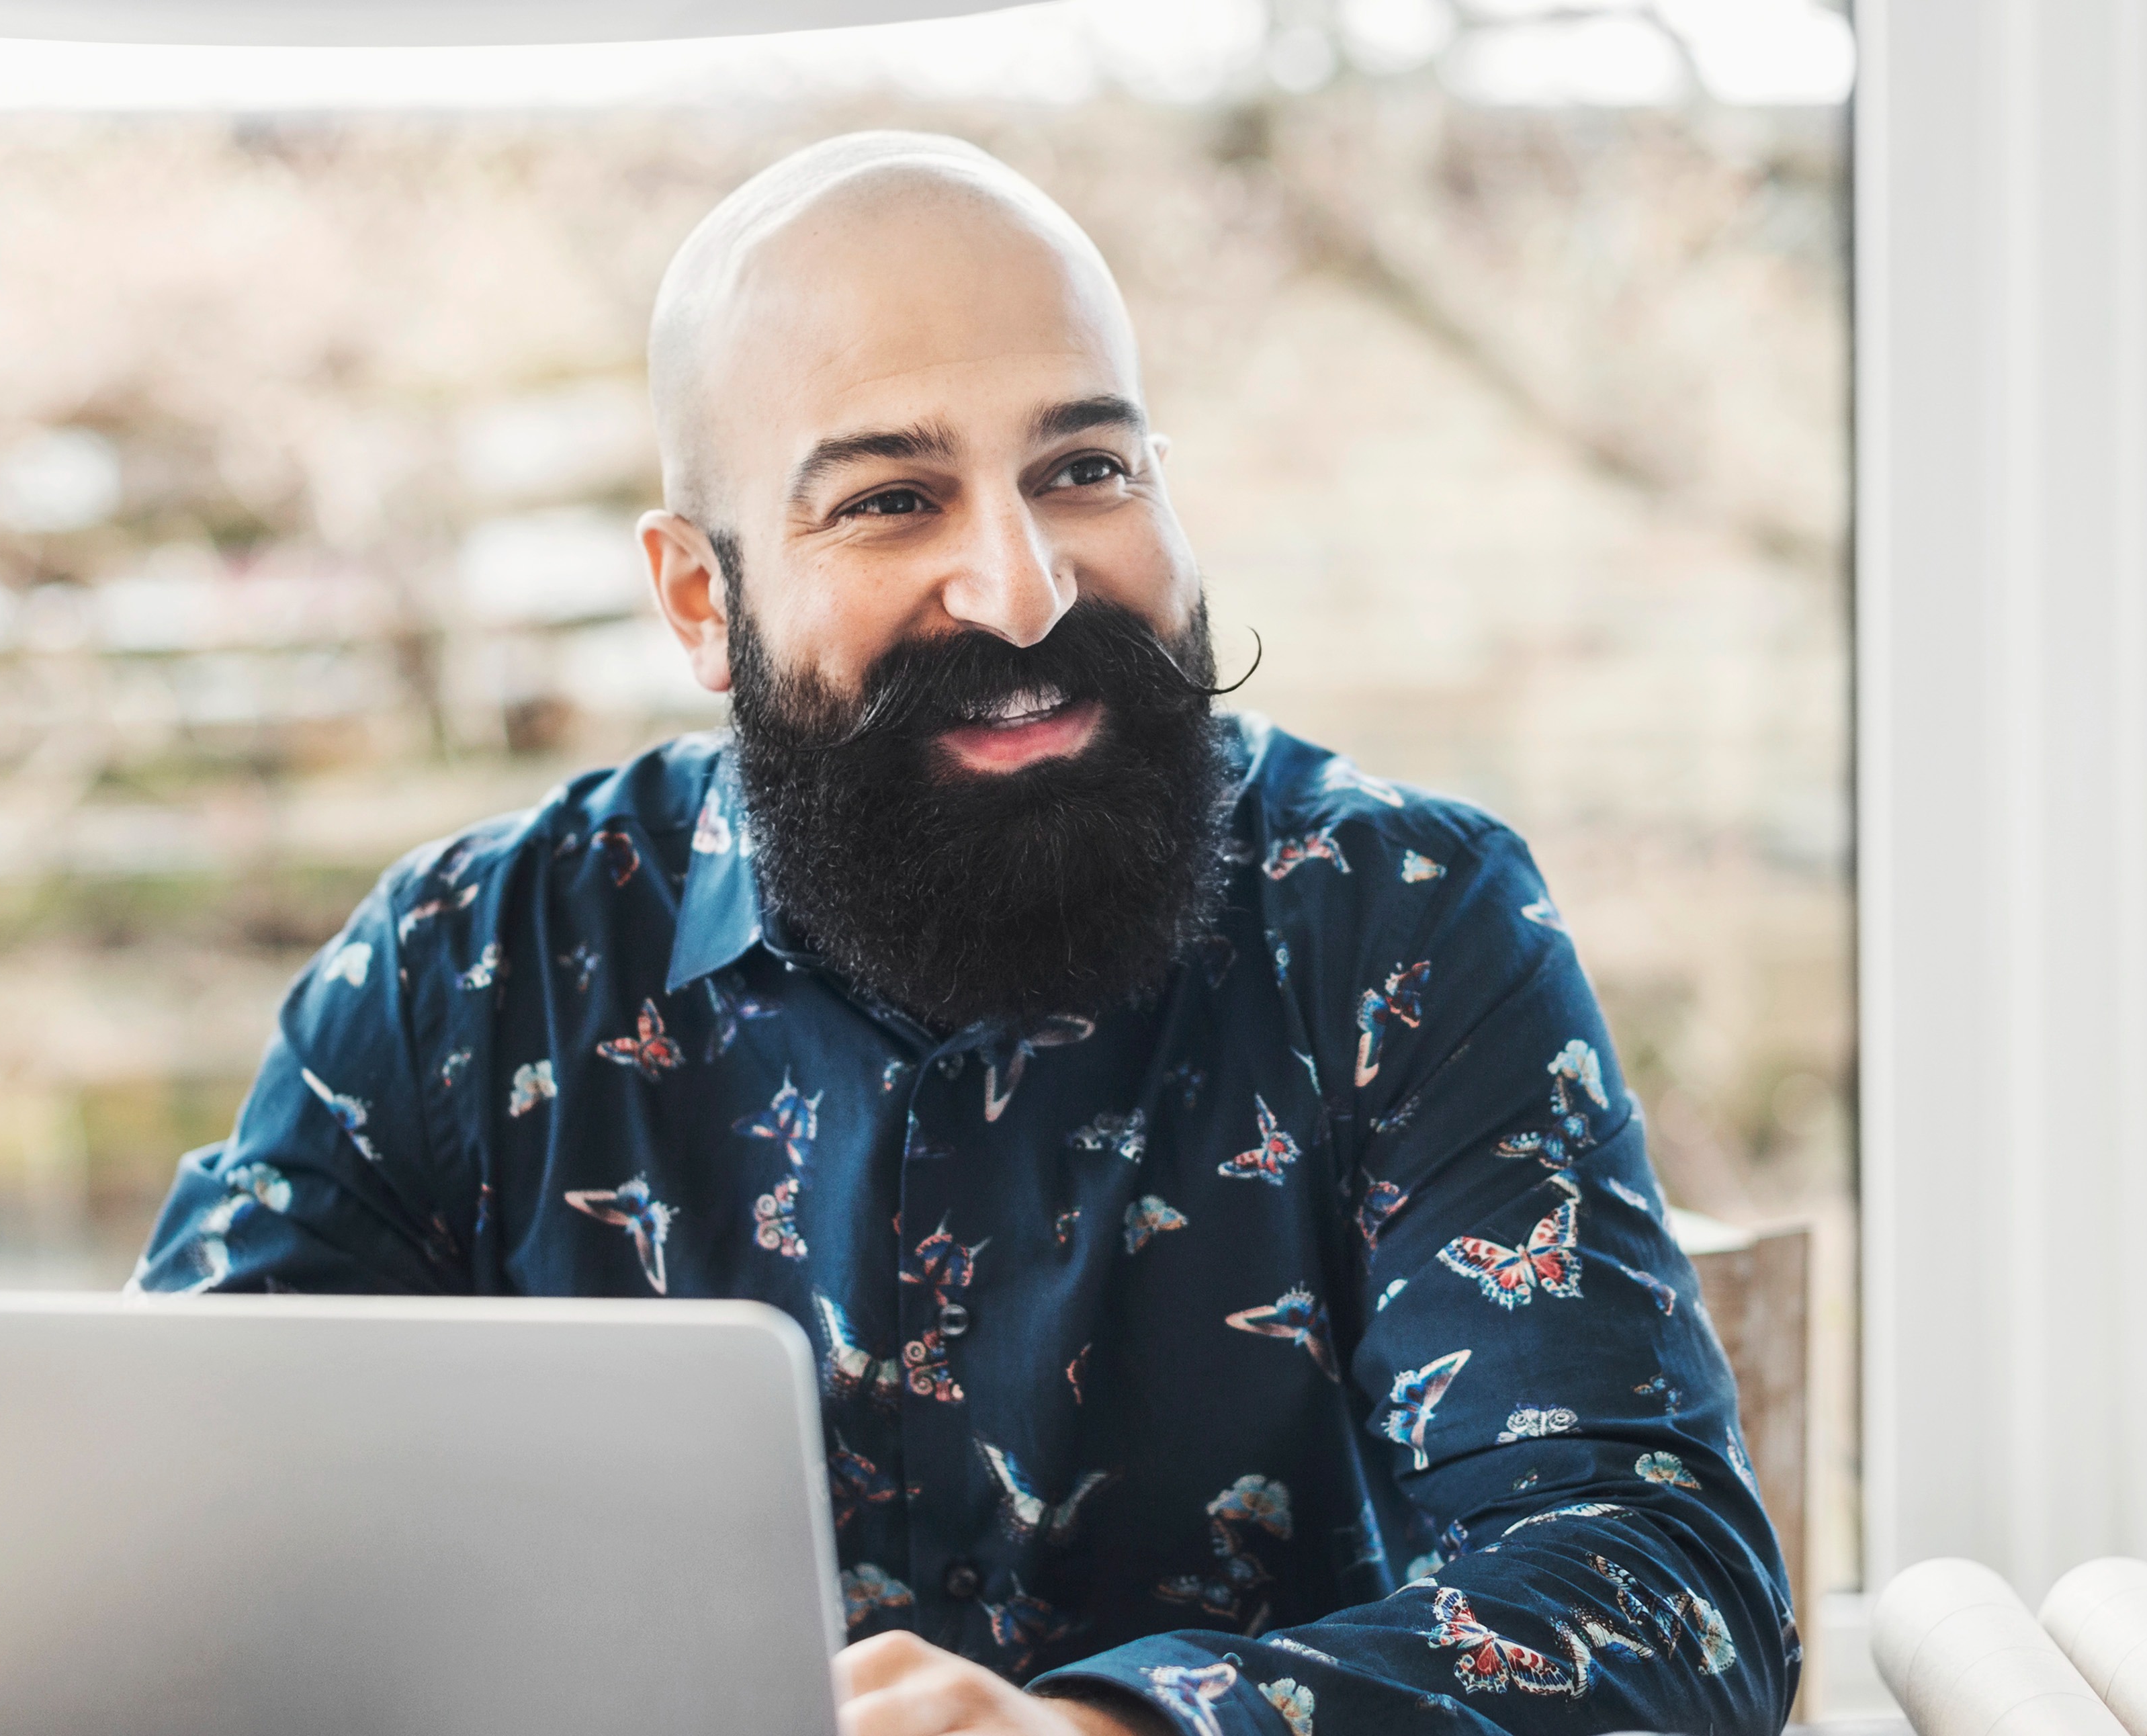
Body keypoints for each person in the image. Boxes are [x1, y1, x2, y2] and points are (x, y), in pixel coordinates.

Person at [136, 131, 1795, 1736]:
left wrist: (1104, 1733)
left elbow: (1660, 1586)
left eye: (1084, 469)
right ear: (702, 599)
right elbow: (157, 1543)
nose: (1021, 587)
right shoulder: (458, 972)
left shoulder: (1406, 923)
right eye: (888, 500)